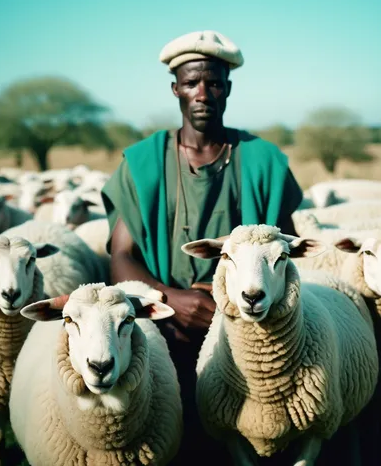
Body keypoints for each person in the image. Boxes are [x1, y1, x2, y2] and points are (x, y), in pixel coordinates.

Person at [101, 30, 303, 465]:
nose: (203, 93)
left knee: (246, 441)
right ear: (175, 88)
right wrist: (170, 299)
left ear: (228, 87)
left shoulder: (263, 161)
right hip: (164, 328)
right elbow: (121, 256)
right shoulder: (144, 162)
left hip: (247, 333)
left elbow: (284, 256)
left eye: (214, 82)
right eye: (192, 82)